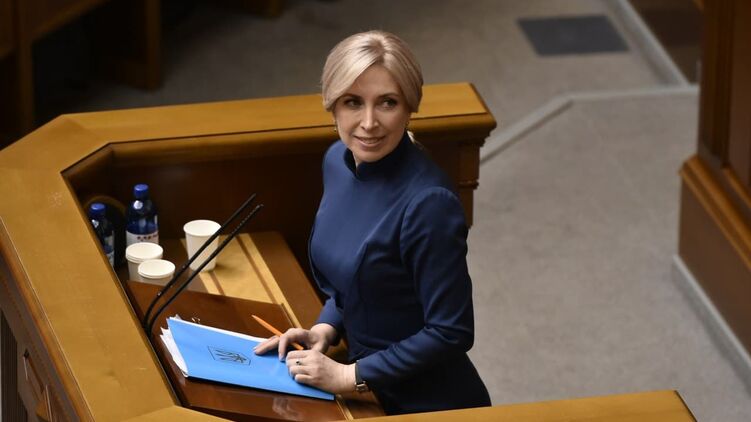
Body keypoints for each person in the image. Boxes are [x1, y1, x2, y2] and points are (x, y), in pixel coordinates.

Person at [254, 30, 490, 415]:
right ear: (332, 106)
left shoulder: (430, 204)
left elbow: (451, 331)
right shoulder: (337, 160)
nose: (368, 123)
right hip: (360, 383)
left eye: (387, 103)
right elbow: (357, 280)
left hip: (426, 402)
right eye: (352, 102)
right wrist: (325, 329)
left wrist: (350, 376)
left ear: (410, 107)